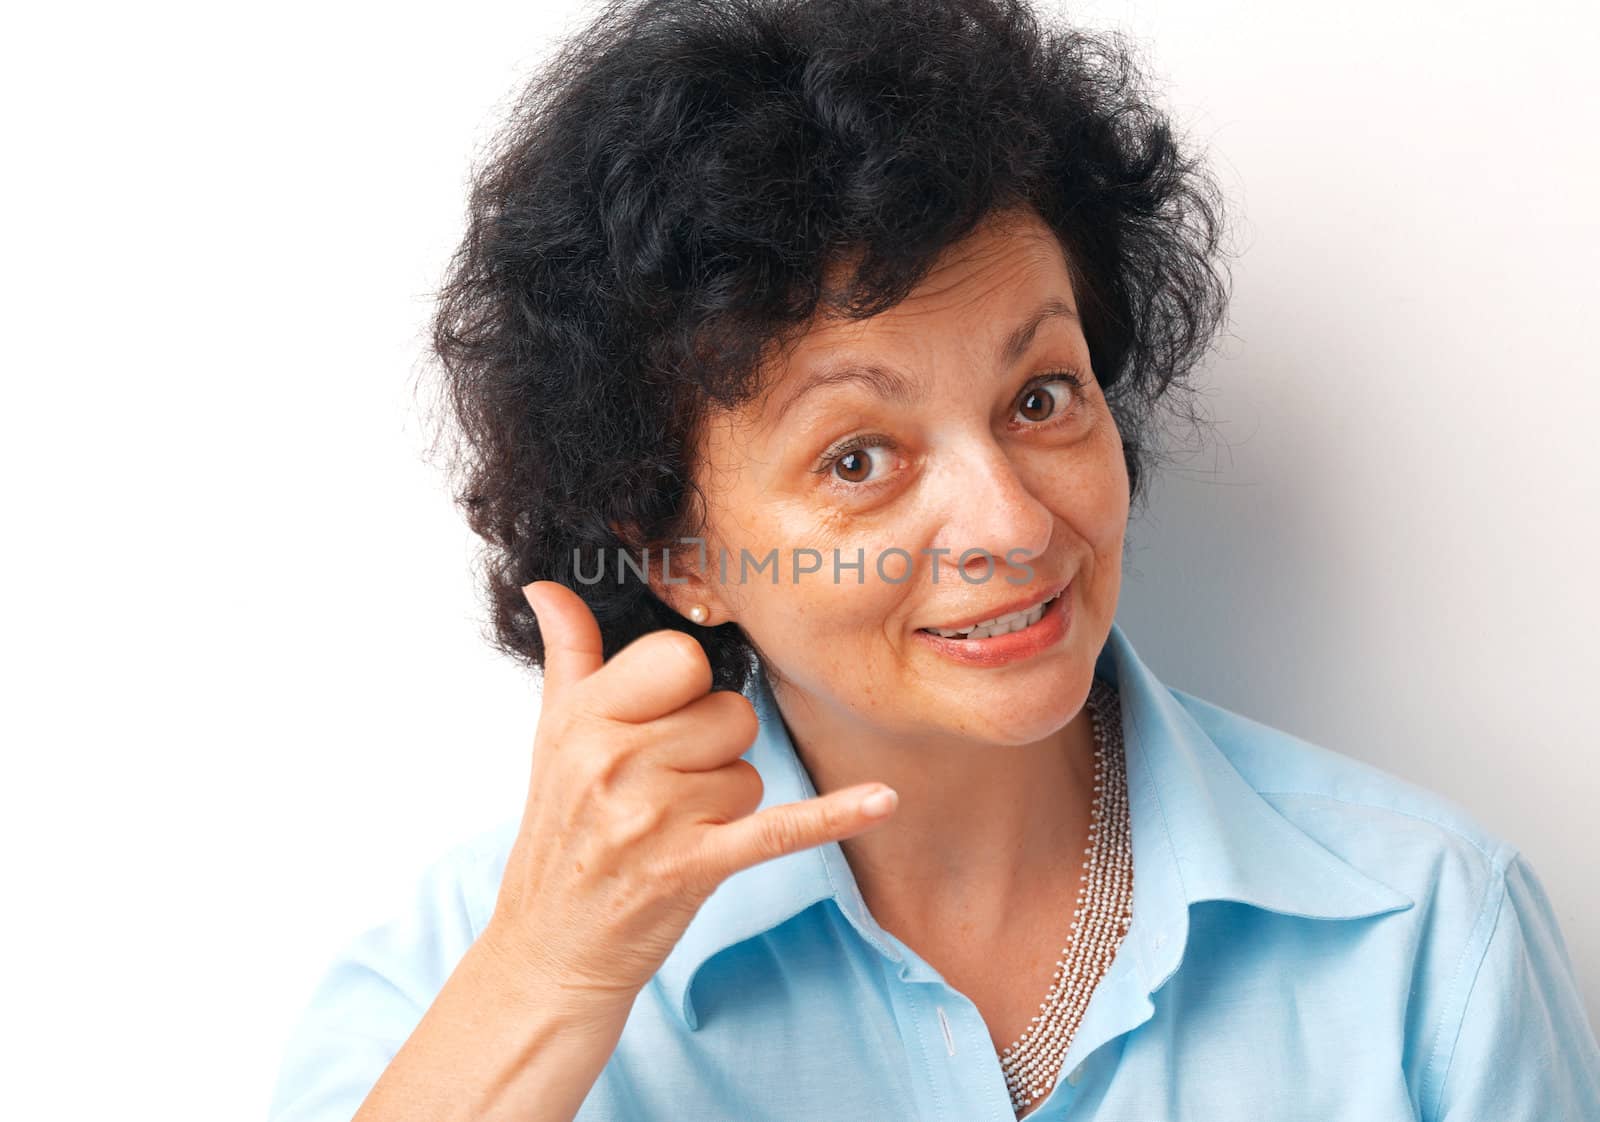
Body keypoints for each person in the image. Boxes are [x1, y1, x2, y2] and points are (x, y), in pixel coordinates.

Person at [268, 0, 1600, 1118]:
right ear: (676, 551)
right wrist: (550, 982)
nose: (1014, 525)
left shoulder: (1426, 934)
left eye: (1040, 398)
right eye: (859, 459)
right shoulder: (464, 975)